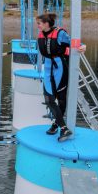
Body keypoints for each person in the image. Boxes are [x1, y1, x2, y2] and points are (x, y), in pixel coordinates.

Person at [36, 12, 73, 141]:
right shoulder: (41, 34)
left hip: (60, 67)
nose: (38, 26)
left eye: (39, 23)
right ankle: (64, 128)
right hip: (47, 67)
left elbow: (73, 43)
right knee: (49, 99)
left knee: (61, 99)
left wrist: (81, 46)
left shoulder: (60, 33)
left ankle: (57, 125)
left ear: (46, 24)